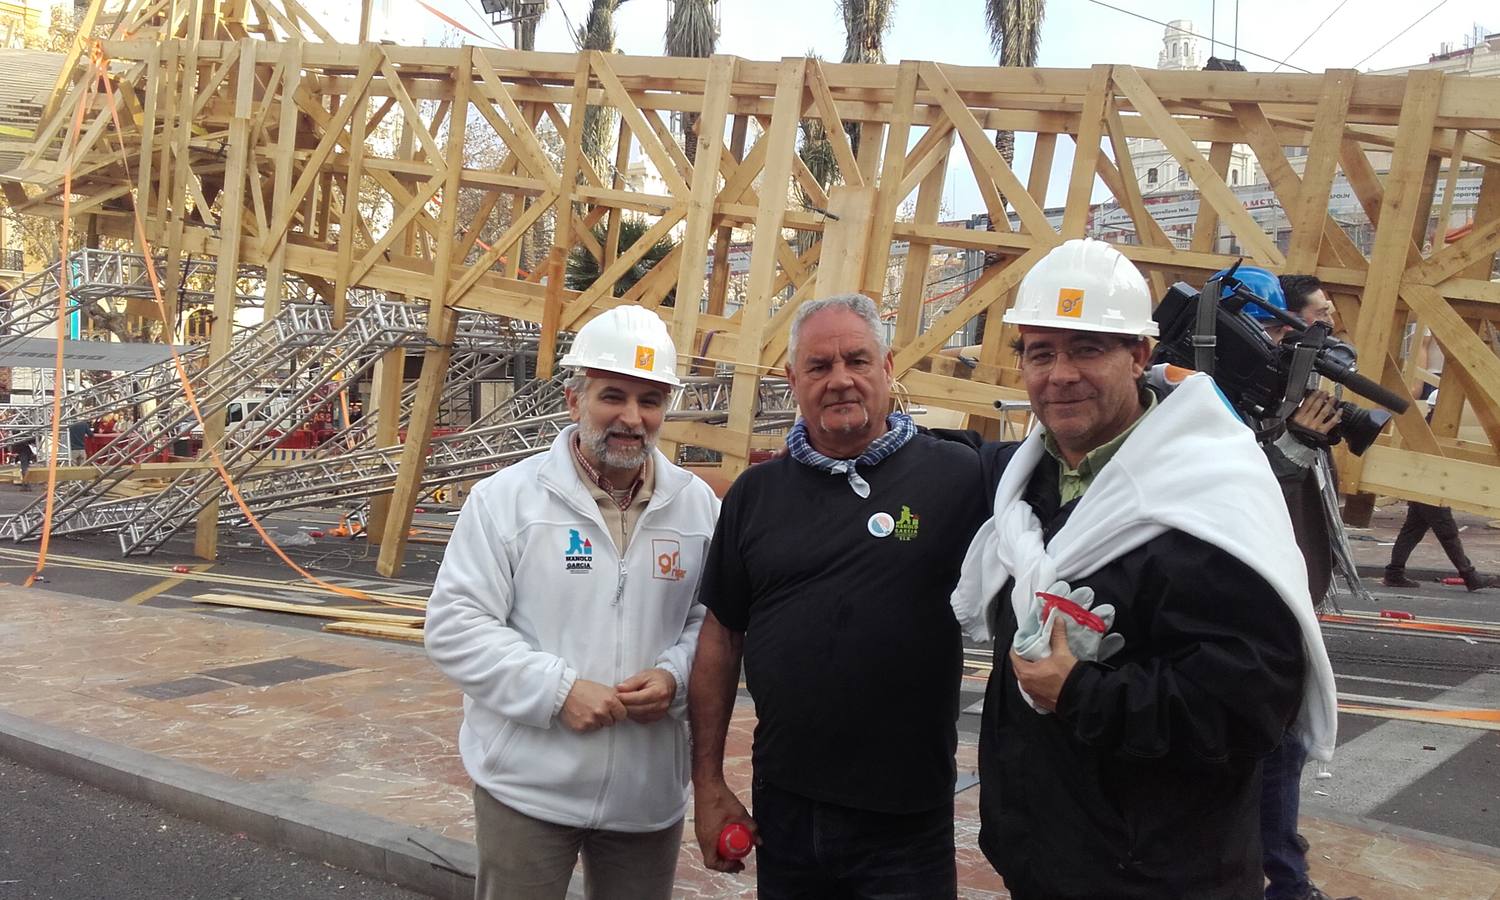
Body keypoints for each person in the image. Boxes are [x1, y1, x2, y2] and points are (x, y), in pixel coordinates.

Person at [949, 239, 1337, 899]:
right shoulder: (1026, 491)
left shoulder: (1209, 498)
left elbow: (1247, 710)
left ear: (1139, 355)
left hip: (1164, 880)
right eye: (1041, 351)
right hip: (1046, 865)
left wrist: (1080, 694)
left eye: (1087, 349)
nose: (1060, 374)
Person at [688, 293, 988, 898]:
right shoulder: (755, 494)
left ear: (888, 366)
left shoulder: (959, 478)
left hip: (906, 818)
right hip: (788, 811)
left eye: (857, 360)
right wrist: (710, 783)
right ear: (792, 379)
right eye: (820, 366)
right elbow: (721, 637)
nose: (841, 380)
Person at [425, 306, 720, 900]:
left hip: (646, 792)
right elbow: (456, 626)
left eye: (651, 400)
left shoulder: (697, 508)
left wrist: (675, 676)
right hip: (528, 789)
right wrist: (557, 690)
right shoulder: (506, 501)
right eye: (614, 396)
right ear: (574, 399)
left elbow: (709, 623)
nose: (633, 418)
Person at [1383, 391, 1498, 592]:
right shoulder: (1436, 428)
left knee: (1411, 532)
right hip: (1431, 486)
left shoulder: (1426, 426)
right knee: (1448, 533)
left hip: (1421, 485)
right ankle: (1470, 576)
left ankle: (1394, 573)